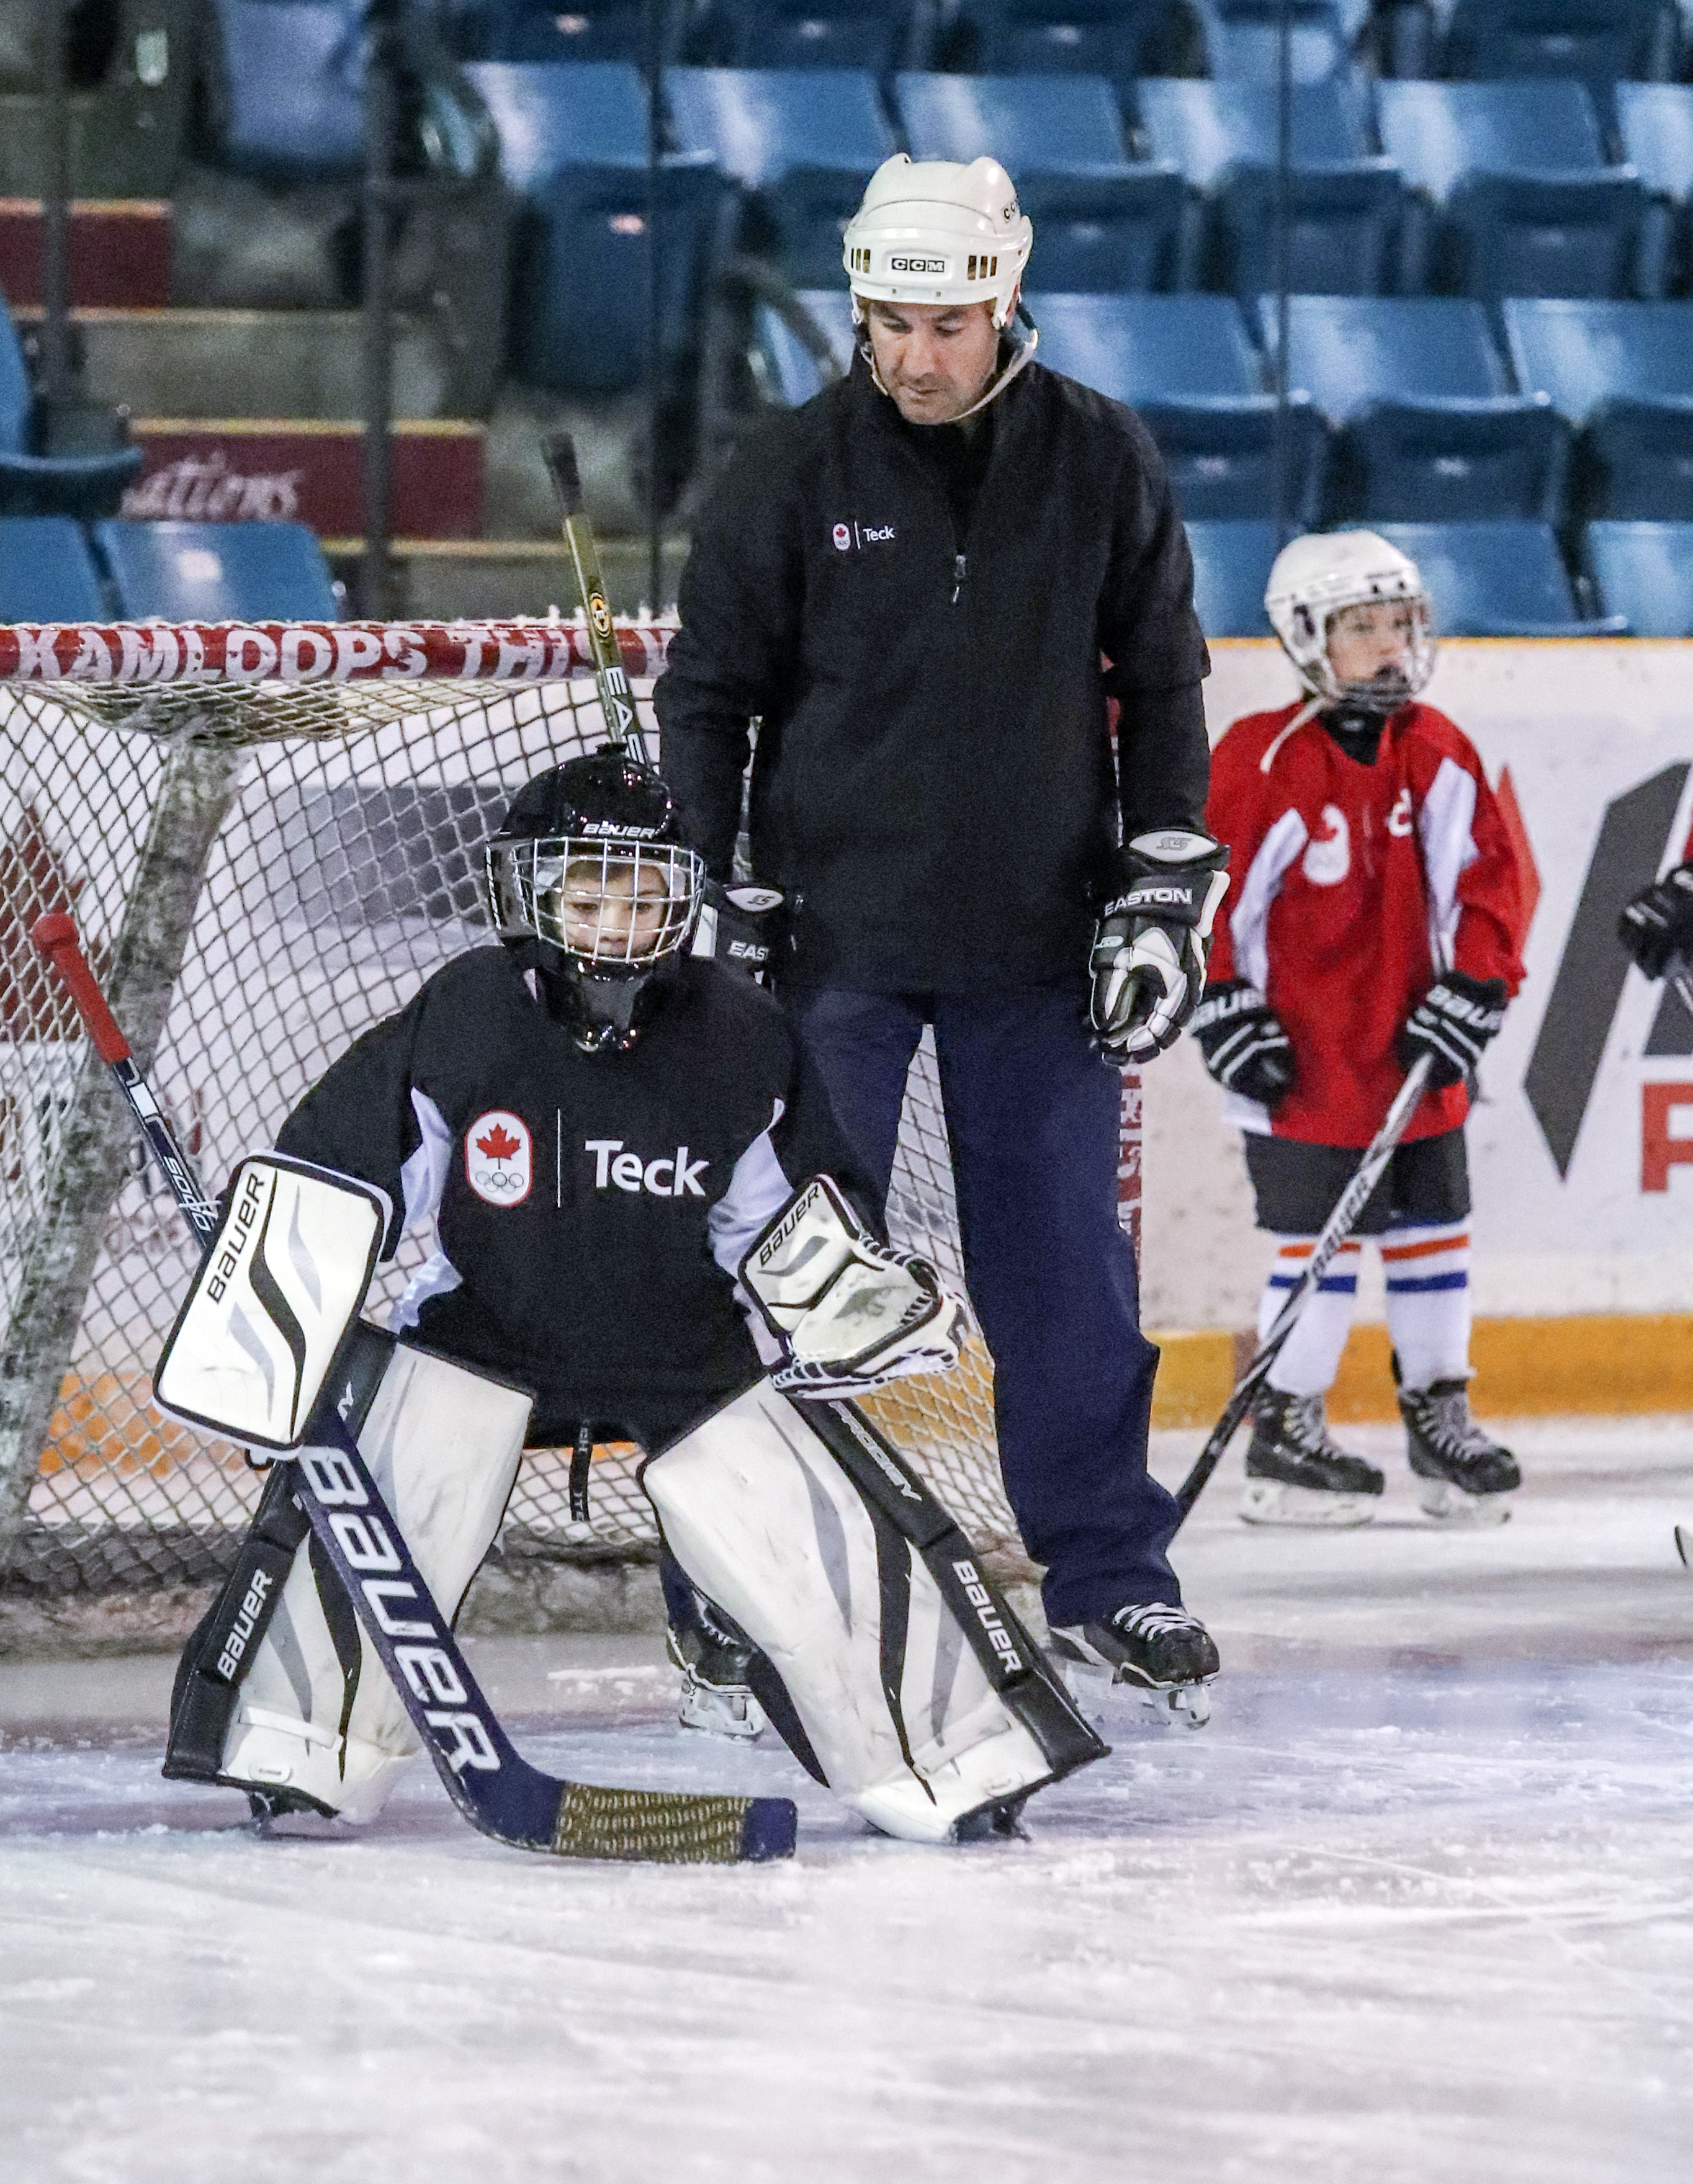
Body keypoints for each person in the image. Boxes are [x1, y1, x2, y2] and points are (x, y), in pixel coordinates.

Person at [159, 748, 1101, 1845]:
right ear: (532, 893)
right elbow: (342, 1171)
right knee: (385, 1476)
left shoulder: (739, 1028)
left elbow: (785, 1218)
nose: (619, 917)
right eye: (591, 889)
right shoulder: (467, 1013)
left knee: (823, 1523)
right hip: (486, 1335)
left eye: (645, 891)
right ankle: (297, 1743)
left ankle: (951, 1755)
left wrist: (849, 1299)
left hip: (684, 1349)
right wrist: (268, 1336)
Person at [654, 153, 1228, 1721]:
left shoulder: (1099, 455)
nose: (915, 353)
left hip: (1038, 943)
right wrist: (706, 889)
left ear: (1004, 304)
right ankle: (726, 1580)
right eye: (890, 320)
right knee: (786, 1265)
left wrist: (1159, 882)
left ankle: (1110, 1575)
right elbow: (708, 697)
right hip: (826, 945)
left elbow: (1163, 682)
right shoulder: (784, 470)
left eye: (947, 322)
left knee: (1064, 1278)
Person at [1195, 530, 1527, 1526]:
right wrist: (1224, 1007)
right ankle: (1287, 1428)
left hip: (1420, 1056)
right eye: (1361, 629)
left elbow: (1492, 884)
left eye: (1399, 624)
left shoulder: (1436, 747)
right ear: (1307, 640)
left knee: (1435, 1229)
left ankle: (1440, 1413)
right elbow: (1213, 901)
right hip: (1303, 1061)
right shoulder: (1262, 758)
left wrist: (1477, 987)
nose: (1388, 647)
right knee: (1315, 1244)